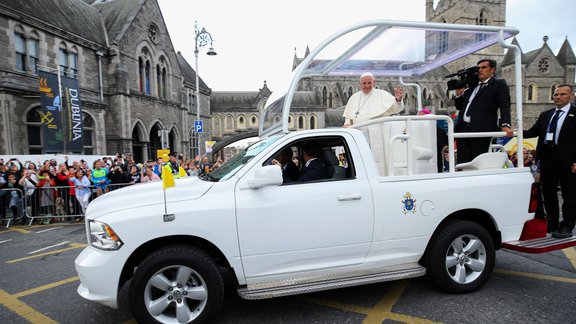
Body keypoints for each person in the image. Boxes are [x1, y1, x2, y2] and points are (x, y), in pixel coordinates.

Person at [523, 84, 576, 238]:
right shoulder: (546, 114)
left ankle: (567, 225)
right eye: (556, 94)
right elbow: (532, 132)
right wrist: (514, 132)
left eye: (562, 94)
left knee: (569, 195)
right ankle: (552, 223)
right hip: (548, 158)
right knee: (548, 192)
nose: (558, 97)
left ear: (570, 96)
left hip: (568, 160)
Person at [342, 72, 404, 174]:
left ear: (374, 82)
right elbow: (348, 117)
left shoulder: (381, 94)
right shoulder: (354, 97)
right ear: (360, 84)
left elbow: (396, 108)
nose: (367, 86)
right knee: (361, 160)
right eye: (364, 83)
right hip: (359, 134)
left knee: (378, 159)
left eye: (369, 83)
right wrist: (347, 123)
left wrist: (398, 99)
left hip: (377, 133)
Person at [454, 59, 514, 164]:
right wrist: (459, 94)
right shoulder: (472, 86)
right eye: (478, 68)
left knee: (479, 161)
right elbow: (460, 106)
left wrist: (505, 124)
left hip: (482, 130)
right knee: (462, 162)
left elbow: (505, 106)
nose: (480, 70)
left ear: (493, 70)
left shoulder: (498, 84)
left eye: (484, 67)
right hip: (463, 129)